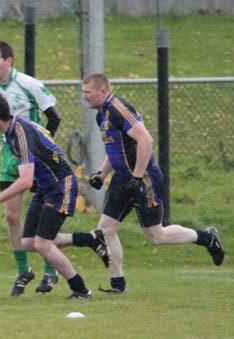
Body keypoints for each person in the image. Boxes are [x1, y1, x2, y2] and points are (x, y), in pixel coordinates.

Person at [82, 72, 225, 294]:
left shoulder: (120, 109)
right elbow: (115, 148)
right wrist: (101, 173)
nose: (84, 97)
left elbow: (145, 140)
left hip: (143, 177)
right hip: (122, 178)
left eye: (87, 92)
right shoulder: (102, 115)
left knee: (156, 236)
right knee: (105, 230)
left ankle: (207, 238)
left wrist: (137, 177)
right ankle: (118, 286)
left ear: (103, 91)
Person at [0, 94, 110, 299]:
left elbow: (25, 180)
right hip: (44, 187)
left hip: (61, 186)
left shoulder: (21, 135)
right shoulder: (11, 132)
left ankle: (81, 289)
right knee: (28, 242)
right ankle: (89, 238)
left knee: (43, 244)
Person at [0, 41, 63, 296]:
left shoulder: (29, 85)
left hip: (33, 160)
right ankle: (24, 271)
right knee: (11, 217)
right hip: (9, 160)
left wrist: (41, 147)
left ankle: (50, 271)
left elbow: (54, 116)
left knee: (40, 216)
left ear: (9, 60)